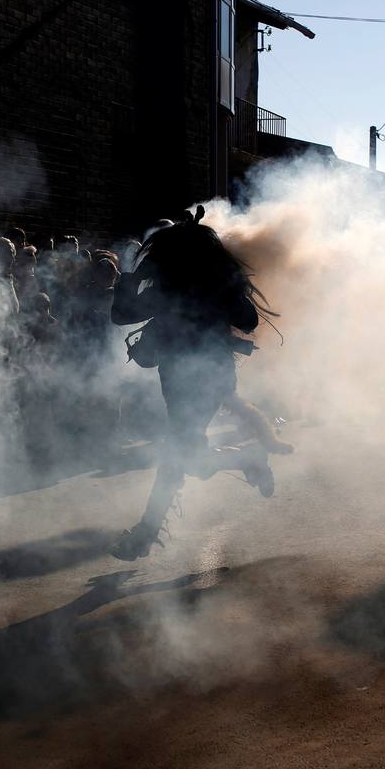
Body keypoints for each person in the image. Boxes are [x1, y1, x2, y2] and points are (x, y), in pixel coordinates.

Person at [107, 206, 277, 561]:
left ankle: (144, 535)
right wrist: (133, 277)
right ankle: (247, 457)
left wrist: (134, 277)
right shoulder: (176, 287)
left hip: (208, 374)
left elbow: (246, 320)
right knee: (190, 456)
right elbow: (121, 315)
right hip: (179, 374)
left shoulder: (199, 285)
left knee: (177, 452)